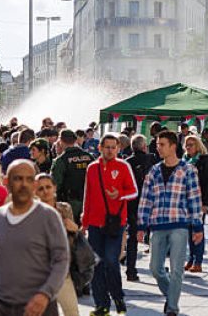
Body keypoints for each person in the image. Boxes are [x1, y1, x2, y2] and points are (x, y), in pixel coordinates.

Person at [0, 160, 69, 316]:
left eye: (29, 179)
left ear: (34, 184)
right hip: (1, 307)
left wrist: (45, 294)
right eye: (18, 178)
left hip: (39, 307)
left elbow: (61, 259)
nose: (24, 184)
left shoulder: (49, 216)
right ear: (7, 182)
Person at [137, 131, 204, 316]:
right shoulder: (154, 171)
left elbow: (194, 198)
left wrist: (197, 226)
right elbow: (146, 199)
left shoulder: (187, 170)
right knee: (155, 269)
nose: (158, 148)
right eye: (157, 144)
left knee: (176, 269)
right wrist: (141, 225)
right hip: (158, 225)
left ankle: (172, 308)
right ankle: (171, 296)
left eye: (162, 144)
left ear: (173, 146)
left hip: (179, 225)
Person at [82, 134, 138, 316]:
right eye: (107, 147)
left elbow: (134, 191)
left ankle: (118, 297)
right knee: (96, 263)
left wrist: (119, 194)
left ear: (118, 148)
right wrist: (84, 221)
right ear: (100, 148)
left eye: (114, 147)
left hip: (115, 222)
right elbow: (88, 196)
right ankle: (101, 305)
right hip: (95, 223)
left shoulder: (123, 166)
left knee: (111, 261)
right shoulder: (92, 168)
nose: (110, 150)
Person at [34, 173, 80, 316]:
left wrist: (75, 229)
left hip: (62, 272)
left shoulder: (64, 209)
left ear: (55, 187)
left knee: (72, 312)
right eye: (40, 188)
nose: (45, 191)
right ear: (34, 191)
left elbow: (75, 239)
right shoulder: (30, 212)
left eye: (48, 187)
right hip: (38, 274)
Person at [181, 135, 208, 272]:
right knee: (189, 232)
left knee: (197, 230)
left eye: (191, 144)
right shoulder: (184, 160)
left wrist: (206, 202)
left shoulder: (205, 160)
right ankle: (191, 258)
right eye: (187, 145)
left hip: (199, 201)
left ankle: (198, 261)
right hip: (185, 201)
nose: (188, 147)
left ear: (198, 146)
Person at [125, 134, 155, 281]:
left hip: (133, 203)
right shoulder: (153, 160)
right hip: (151, 202)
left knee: (132, 238)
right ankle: (158, 267)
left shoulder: (127, 163)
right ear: (144, 146)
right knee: (156, 236)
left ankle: (131, 270)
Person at [51, 129, 94, 227]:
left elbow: (55, 184)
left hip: (70, 203)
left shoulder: (61, 160)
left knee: (70, 232)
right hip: (89, 201)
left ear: (61, 141)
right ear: (75, 140)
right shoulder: (89, 157)